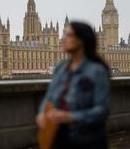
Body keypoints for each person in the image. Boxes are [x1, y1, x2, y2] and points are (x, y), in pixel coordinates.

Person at [36, 21, 111, 149]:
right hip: (58, 138)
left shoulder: (97, 71)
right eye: (64, 34)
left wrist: (70, 117)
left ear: (81, 40)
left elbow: (102, 110)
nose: (63, 39)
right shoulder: (60, 68)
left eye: (69, 35)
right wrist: (42, 113)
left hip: (86, 141)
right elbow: (49, 97)